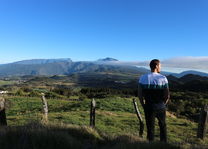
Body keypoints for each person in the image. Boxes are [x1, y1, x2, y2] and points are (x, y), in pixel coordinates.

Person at [138, 59, 170, 142]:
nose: (160, 68)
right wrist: (164, 104)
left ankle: (150, 144)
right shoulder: (163, 78)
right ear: (156, 66)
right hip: (160, 106)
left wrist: (143, 105)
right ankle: (163, 144)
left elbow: (140, 95)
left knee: (150, 127)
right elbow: (167, 95)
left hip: (149, 106)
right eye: (160, 66)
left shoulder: (143, 78)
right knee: (163, 126)